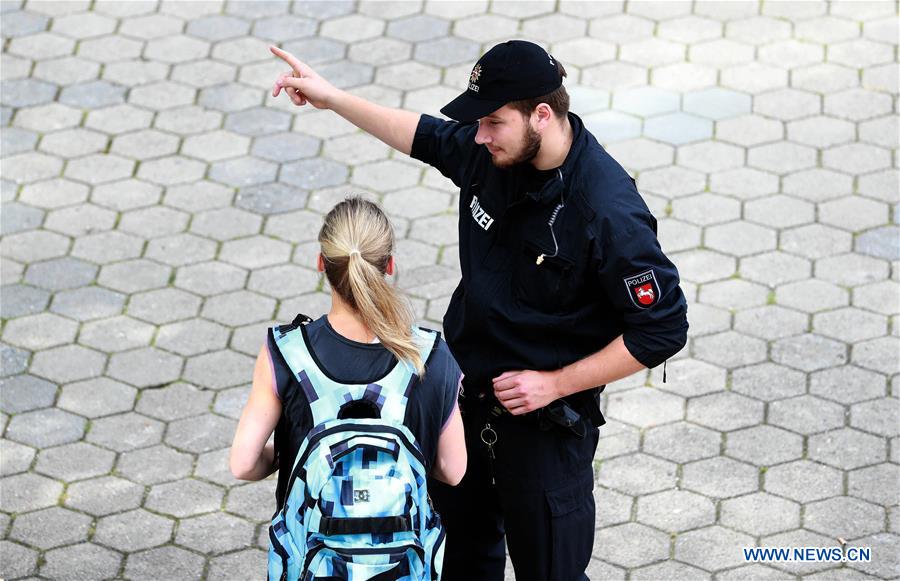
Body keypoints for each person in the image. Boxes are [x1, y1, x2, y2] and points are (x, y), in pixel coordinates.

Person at [270, 40, 689, 581]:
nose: (480, 134)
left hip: (543, 430)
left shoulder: (608, 211)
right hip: (460, 406)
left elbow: (662, 330)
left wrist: (557, 384)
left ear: (542, 114)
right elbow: (422, 136)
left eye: (493, 121)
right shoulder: (491, 151)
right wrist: (333, 98)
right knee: (460, 562)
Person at [230, 197, 467, 579]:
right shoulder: (431, 356)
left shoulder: (287, 353)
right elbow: (453, 469)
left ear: (321, 263)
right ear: (389, 266)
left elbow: (243, 463)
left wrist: (285, 453)